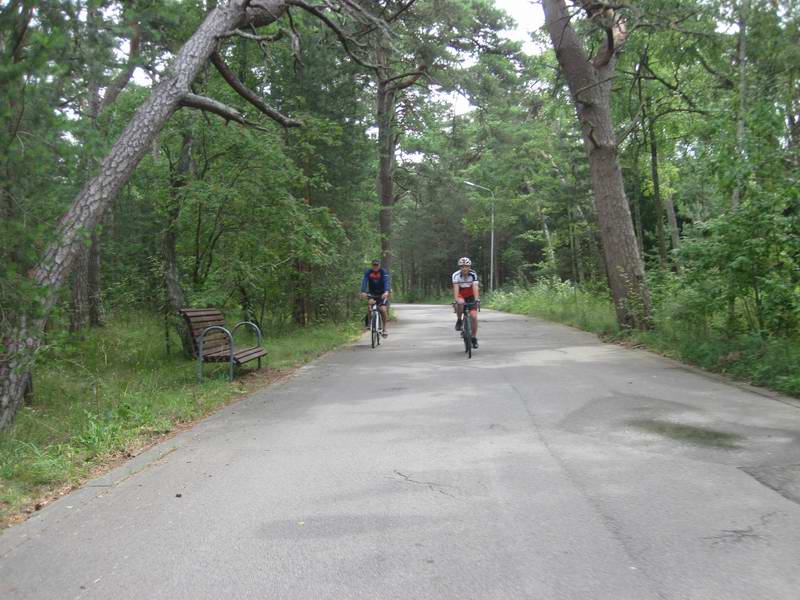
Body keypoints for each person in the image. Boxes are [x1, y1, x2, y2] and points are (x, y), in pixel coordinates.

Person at [452, 257, 479, 349]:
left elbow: (475, 287)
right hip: (461, 294)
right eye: (462, 266)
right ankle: (459, 320)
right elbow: (456, 289)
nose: (464, 268)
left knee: (474, 316)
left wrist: (476, 299)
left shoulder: (473, 274)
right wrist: (456, 300)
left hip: (471, 295)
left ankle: (474, 338)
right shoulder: (456, 275)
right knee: (460, 303)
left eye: (466, 266)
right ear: (460, 268)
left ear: (469, 267)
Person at [360, 259, 391, 337]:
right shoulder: (368, 272)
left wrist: (386, 291)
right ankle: (370, 323)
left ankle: (384, 329)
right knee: (370, 305)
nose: (375, 266)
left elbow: (386, 281)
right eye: (374, 265)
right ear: (372, 265)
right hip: (372, 293)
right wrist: (363, 291)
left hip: (382, 294)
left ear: (379, 265)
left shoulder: (383, 272)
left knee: (383, 310)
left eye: (377, 265)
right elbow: (364, 281)